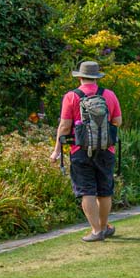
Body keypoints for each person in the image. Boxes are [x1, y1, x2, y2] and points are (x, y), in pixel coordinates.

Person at [58, 61, 123, 242]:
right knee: (104, 191)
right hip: (105, 148)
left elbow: (65, 126)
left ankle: (96, 231)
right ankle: (103, 227)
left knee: (87, 190)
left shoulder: (71, 96)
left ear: (79, 77)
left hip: (80, 150)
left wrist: (56, 150)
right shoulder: (109, 95)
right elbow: (118, 121)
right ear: (97, 77)